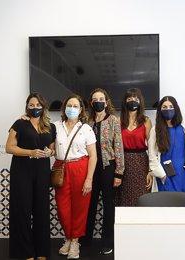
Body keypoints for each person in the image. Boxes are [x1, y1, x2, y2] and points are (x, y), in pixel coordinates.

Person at [6, 93, 56, 260]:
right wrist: (30, 152)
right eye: (31, 105)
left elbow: (52, 148)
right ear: (27, 106)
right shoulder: (20, 123)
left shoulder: (50, 126)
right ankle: (25, 252)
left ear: (44, 106)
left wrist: (51, 152)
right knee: (22, 211)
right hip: (22, 170)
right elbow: (9, 147)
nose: (35, 108)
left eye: (38, 105)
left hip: (42, 170)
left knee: (41, 210)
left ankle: (41, 251)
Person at [53, 94, 97, 259]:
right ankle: (68, 237)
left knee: (80, 208)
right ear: (64, 108)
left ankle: (74, 242)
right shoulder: (55, 126)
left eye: (75, 106)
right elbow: (50, 146)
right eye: (69, 105)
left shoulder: (86, 129)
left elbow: (93, 156)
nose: (72, 108)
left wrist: (89, 178)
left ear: (80, 110)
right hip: (61, 168)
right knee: (63, 208)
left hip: (81, 168)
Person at [84, 88, 124, 255]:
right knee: (90, 205)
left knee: (108, 206)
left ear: (106, 101)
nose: (99, 101)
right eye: (95, 99)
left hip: (109, 168)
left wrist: (119, 172)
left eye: (101, 98)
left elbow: (118, 146)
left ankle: (107, 241)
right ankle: (85, 240)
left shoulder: (113, 120)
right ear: (91, 103)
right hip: (91, 169)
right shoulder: (88, 121)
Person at [147, 96, 185, 195]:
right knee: (167, 204)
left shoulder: (184, 126)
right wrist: (162, 176)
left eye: (171, 106)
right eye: (164, 107)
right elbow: (152, 155)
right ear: (160, 110)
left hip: (183, 174)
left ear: (176, 108)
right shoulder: (155, 130)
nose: (168, 109)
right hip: (165, 174)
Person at [116, 88, 152, 206]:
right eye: (129, 99)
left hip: (141, 161)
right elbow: (115, 145)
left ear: (140, 101)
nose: (133, 101)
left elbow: (151, 147)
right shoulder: (119, 120)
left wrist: (150, 171)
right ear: (125, 101)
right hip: (123, 162)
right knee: (123, 196)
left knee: (141, 195)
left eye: (136, 99)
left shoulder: (146, 121)